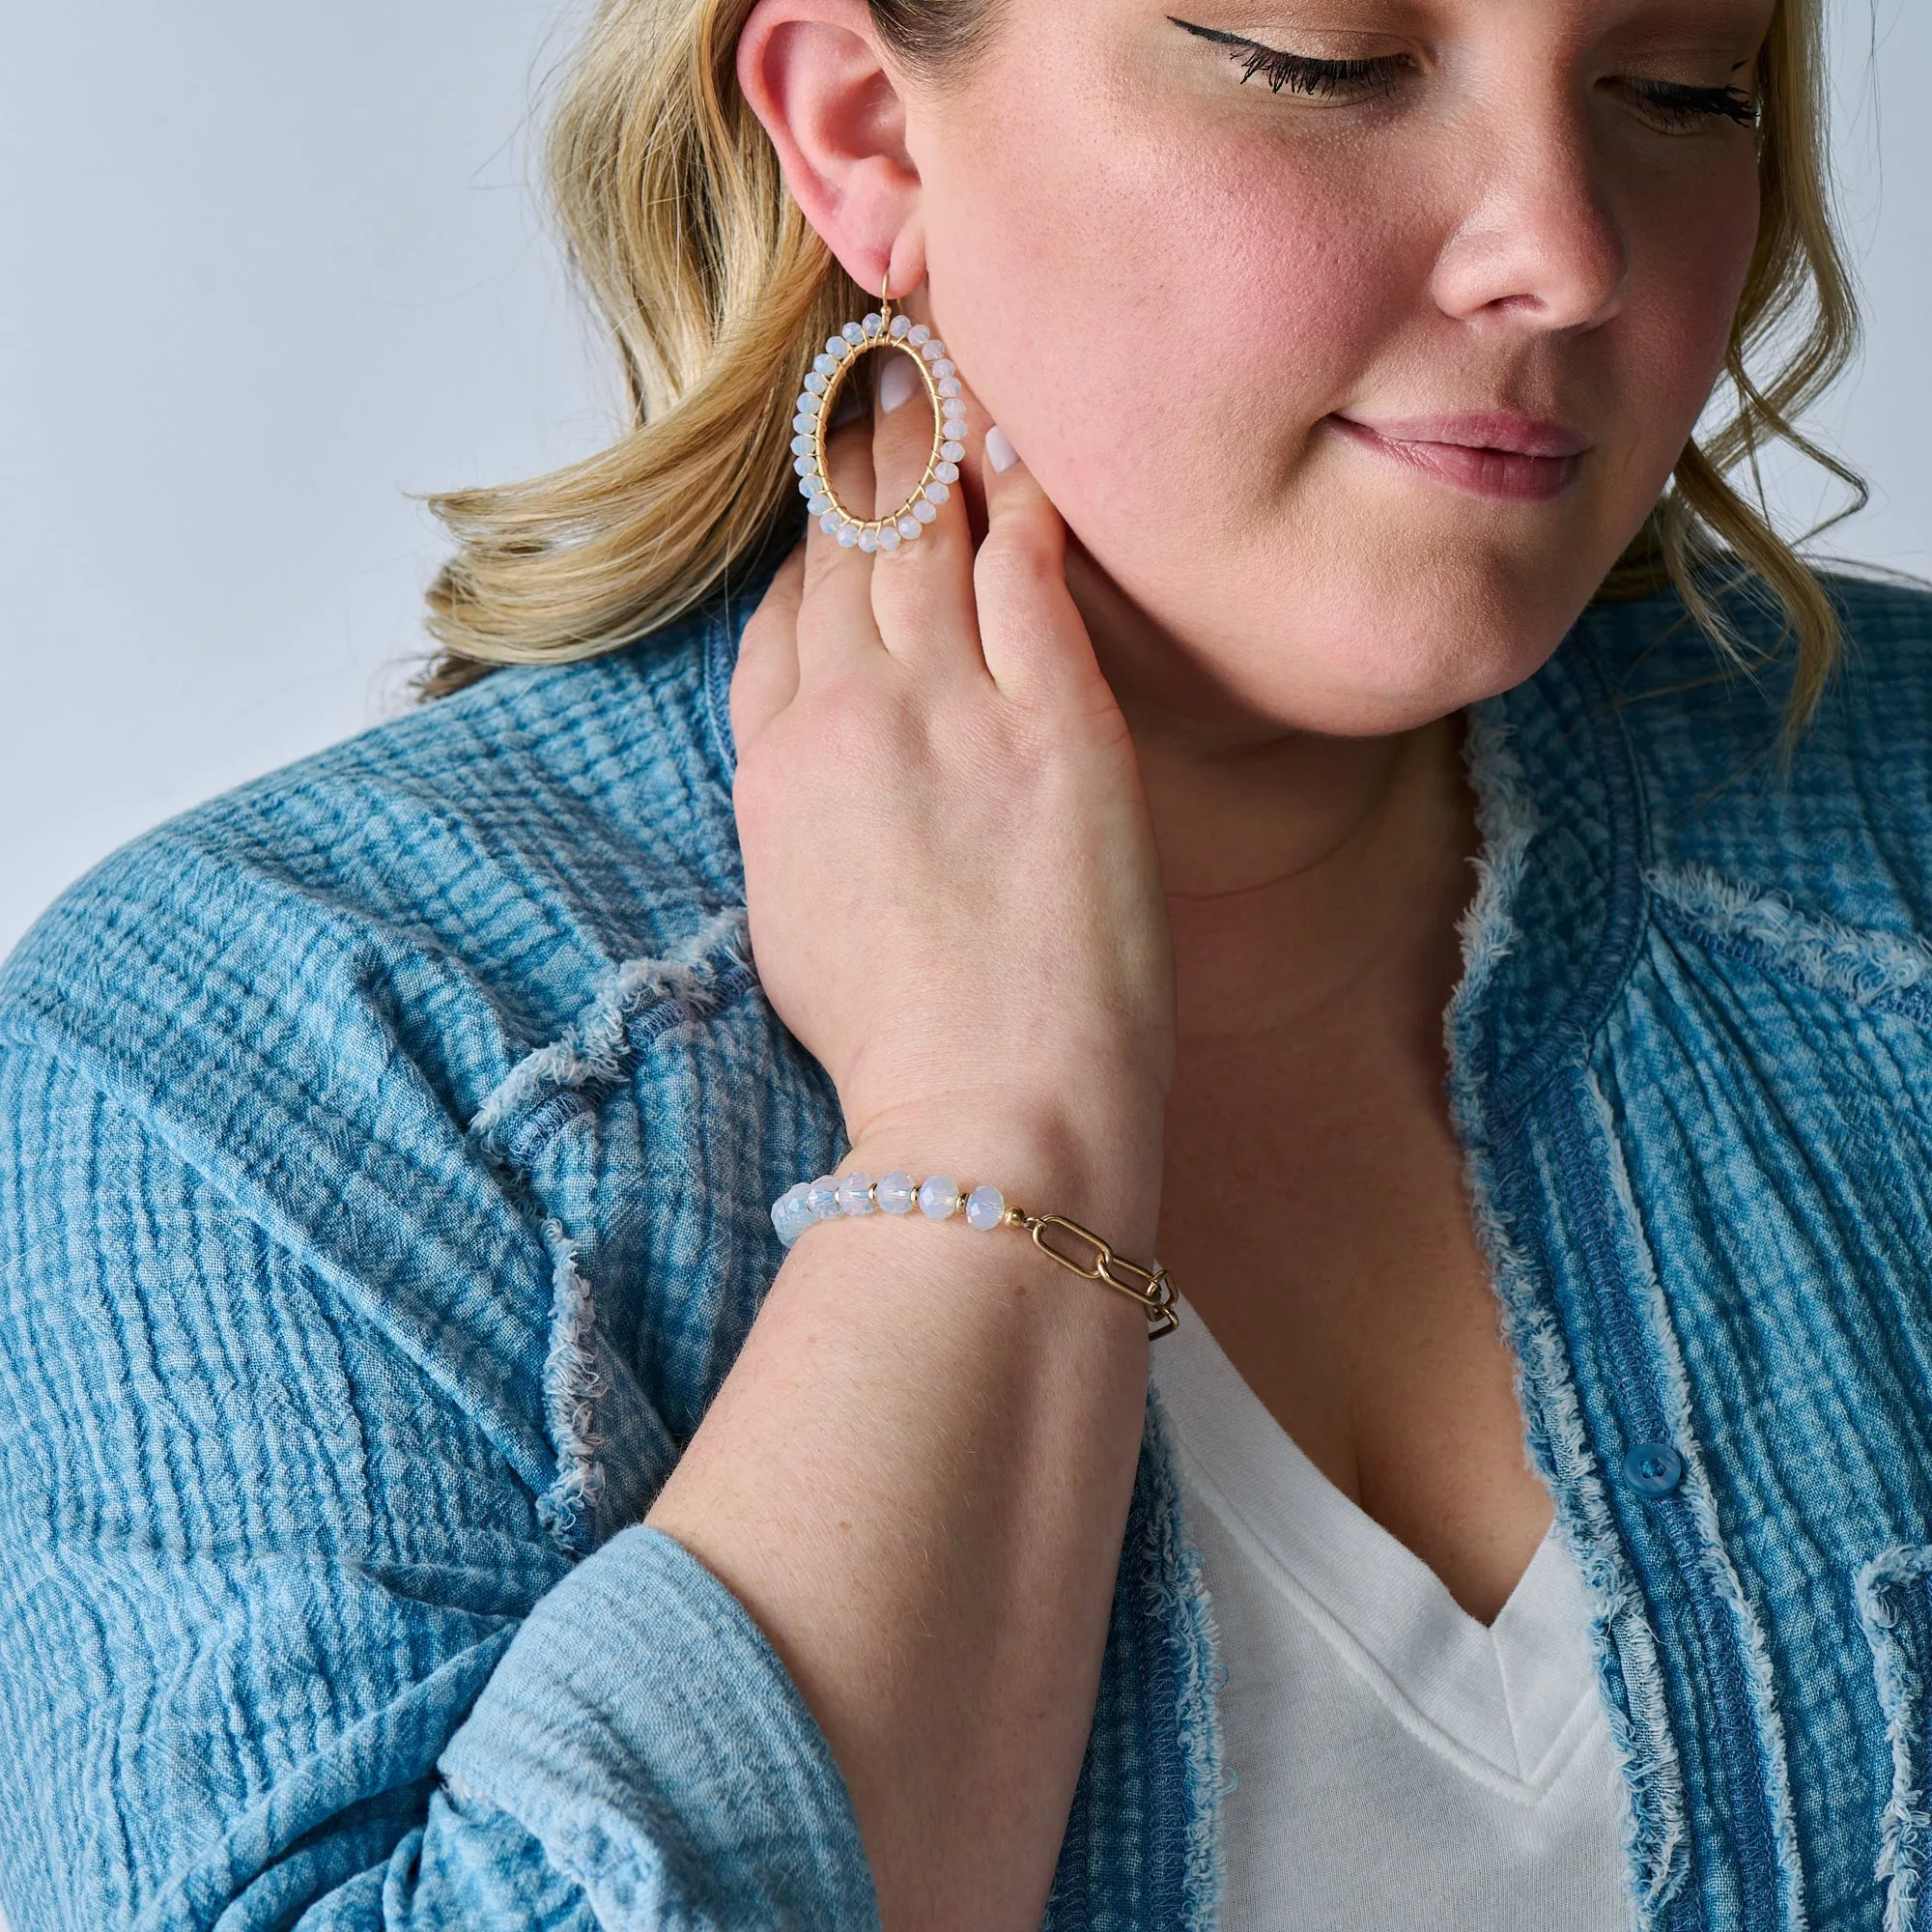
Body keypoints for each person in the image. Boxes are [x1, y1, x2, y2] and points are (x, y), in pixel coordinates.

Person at [0, 0, 1923, 1925]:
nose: (1567, 249)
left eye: (1682, 90)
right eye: (1326, 59)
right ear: (865, 131)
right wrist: (980, 1142)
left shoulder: (1893, 836)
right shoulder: (284, 1065)